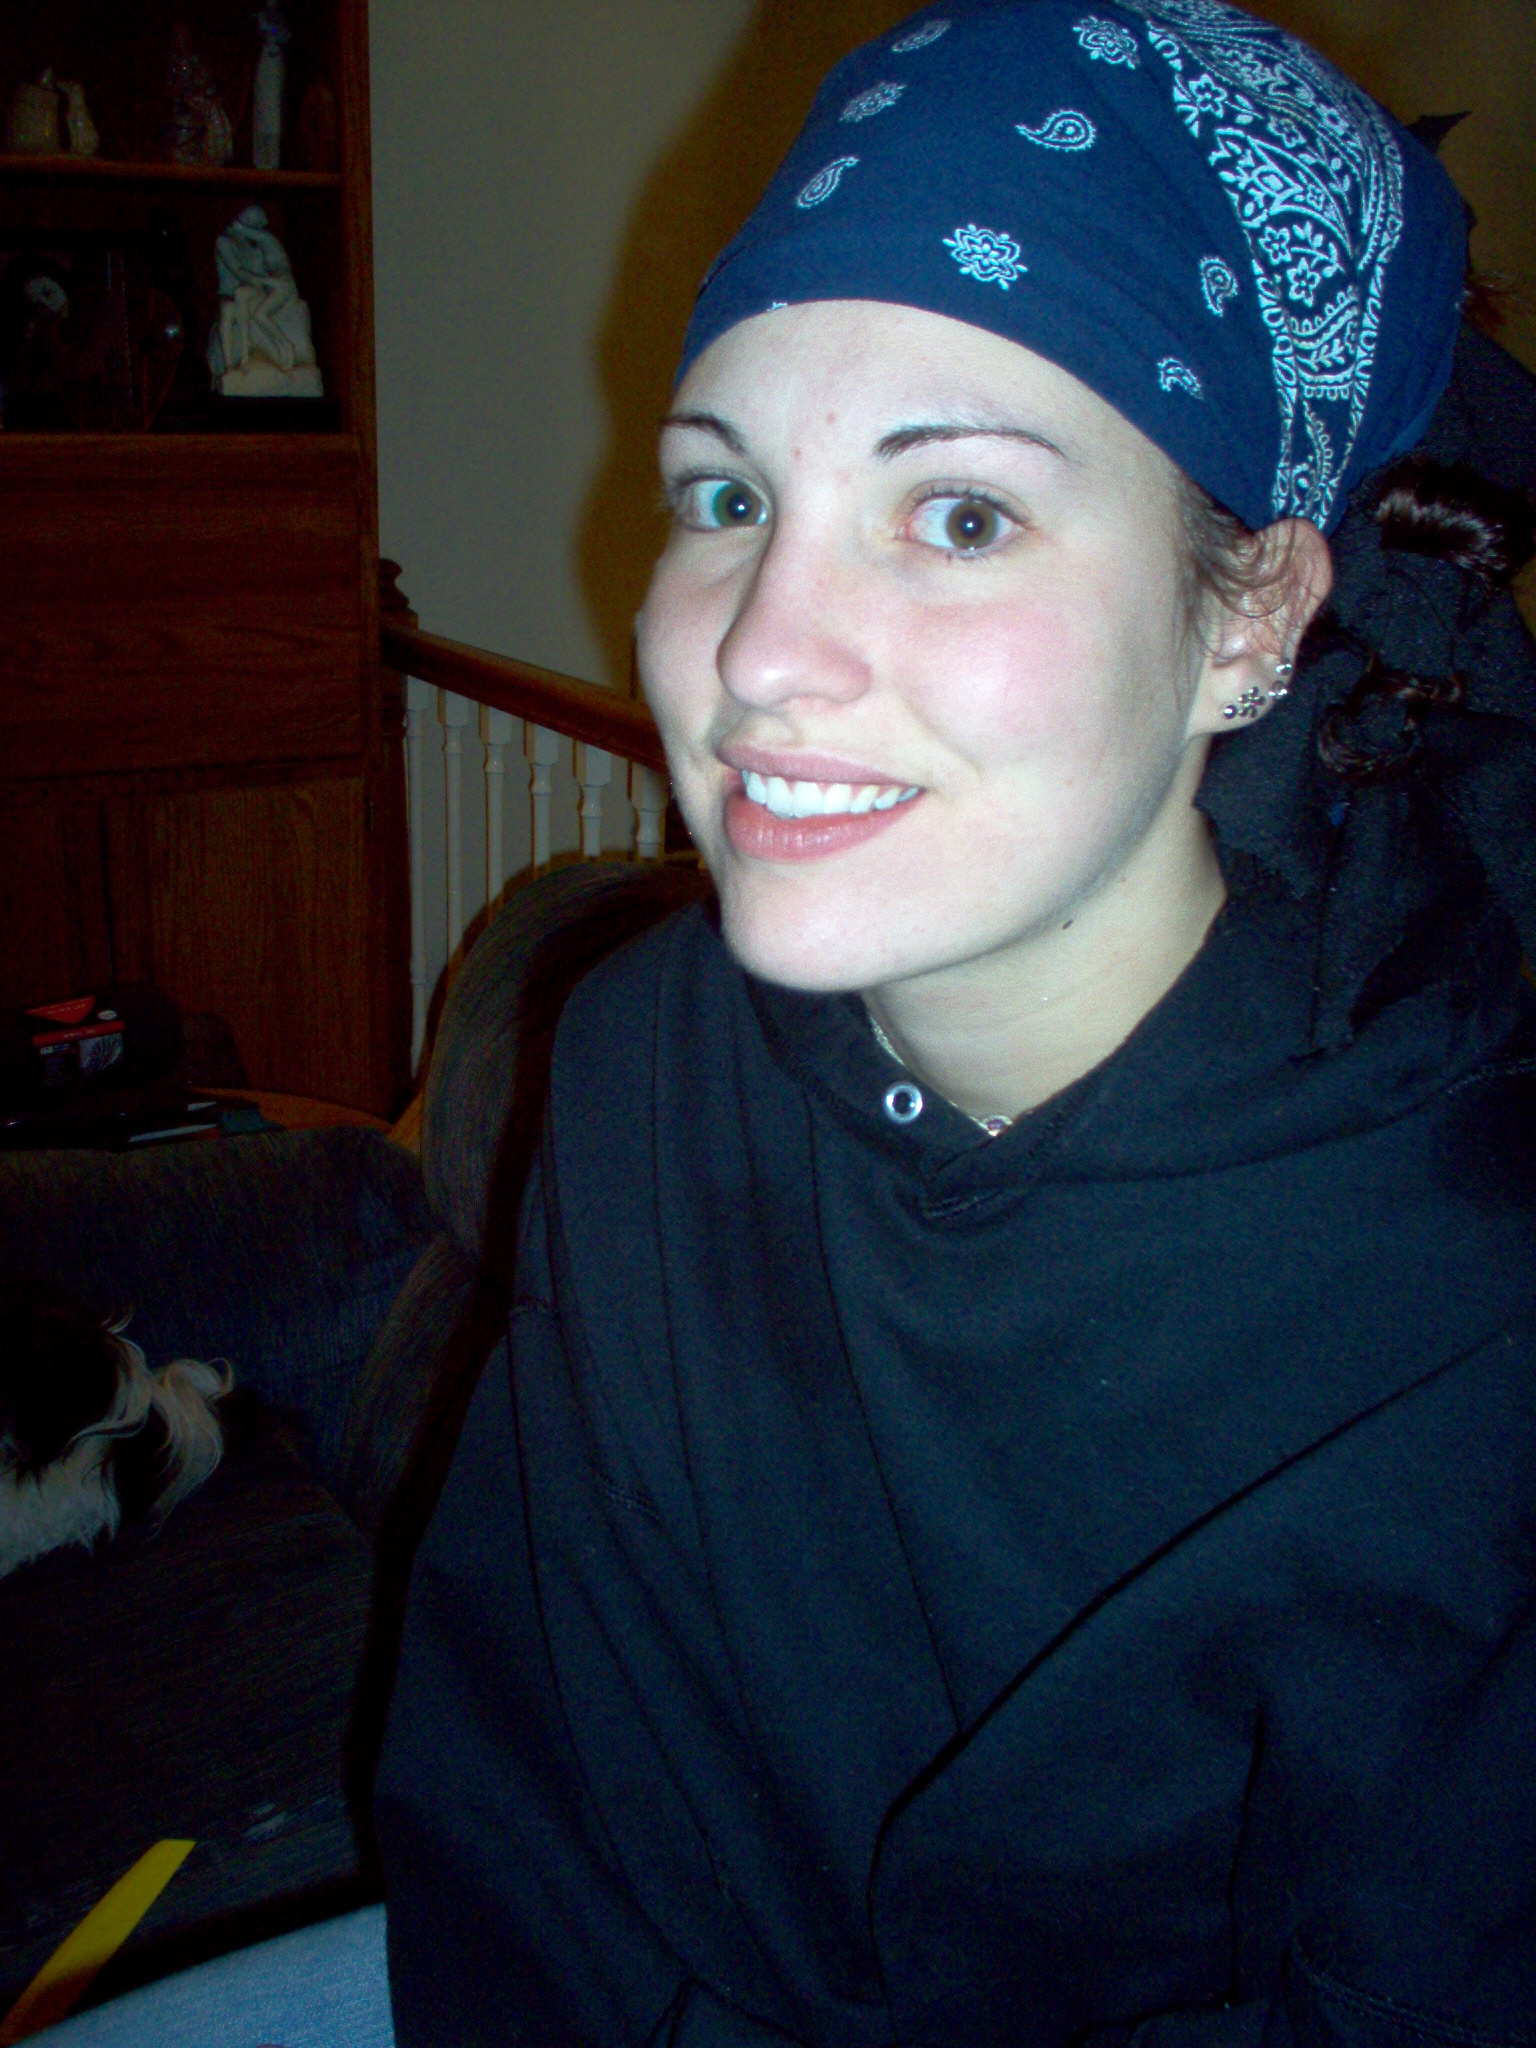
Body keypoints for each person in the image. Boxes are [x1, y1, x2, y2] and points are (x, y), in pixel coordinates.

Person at [377, 4, 1536, 2043]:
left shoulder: (1467, 1297)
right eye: (725, 497)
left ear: (1251, 613)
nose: (762, 652)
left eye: (961, 515)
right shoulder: (643, 1065)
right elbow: (518, 1806)